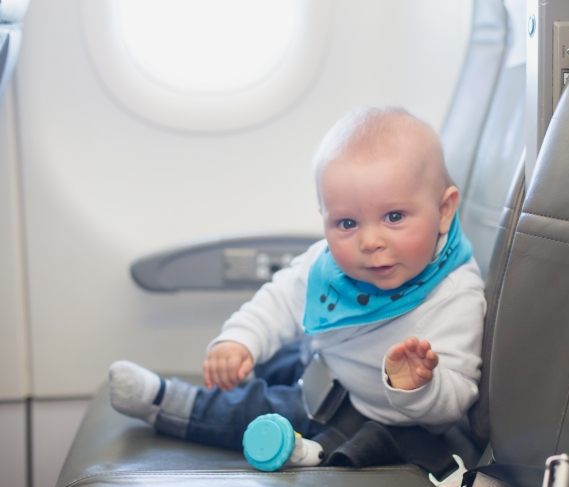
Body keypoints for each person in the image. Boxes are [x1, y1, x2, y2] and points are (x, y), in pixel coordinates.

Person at [109, 106, 486, 456]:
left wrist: (417, 386)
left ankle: (171, 404)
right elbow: (280, 300)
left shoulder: (454, 294)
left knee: (262, 410)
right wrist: (239, 340)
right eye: (347, 223)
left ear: (443, 211)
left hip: (363, 415)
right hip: (321, 365)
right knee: (273, 354)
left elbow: (453, 405)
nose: (371, 242)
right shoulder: (328, 264)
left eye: (394, 217)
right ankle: (244, 375)